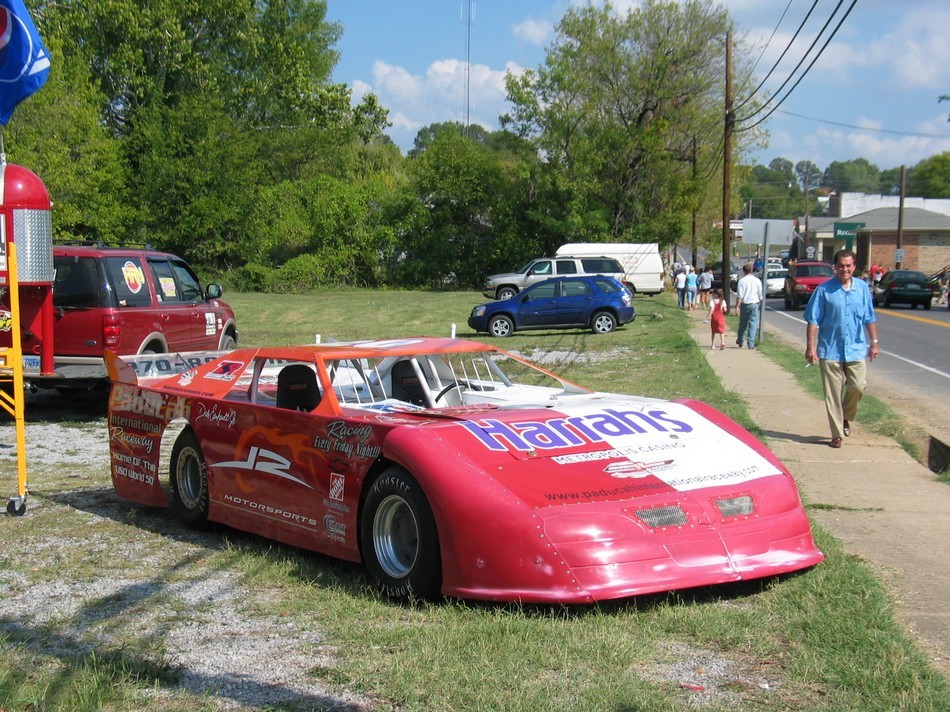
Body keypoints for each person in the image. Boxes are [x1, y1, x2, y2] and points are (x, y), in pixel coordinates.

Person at [804, 249, 880, 449]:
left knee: (857, 386)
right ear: (835, 267)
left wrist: (874, 342)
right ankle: (836, 434)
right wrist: (810, 347)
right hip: (830, 350)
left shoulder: (862, 288)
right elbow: (813, 321)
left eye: (848, 266)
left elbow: (869, 317)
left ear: (854, 267)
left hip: (855, 349)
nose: (845, 269)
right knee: (833, 394)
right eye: (841, 266)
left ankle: (845, 416)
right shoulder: (824, 291)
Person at [734, 263, 763, 349]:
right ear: (751, 270)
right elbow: (760, 294)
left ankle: (740, 340)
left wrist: (737, 307)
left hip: (745, 304)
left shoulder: (742, 281)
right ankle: (751, 343)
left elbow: (740, 296)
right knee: (753, 324)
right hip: (754, 303)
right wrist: (759, 302)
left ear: (744, 271)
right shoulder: (757, 281)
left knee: (743, 324)